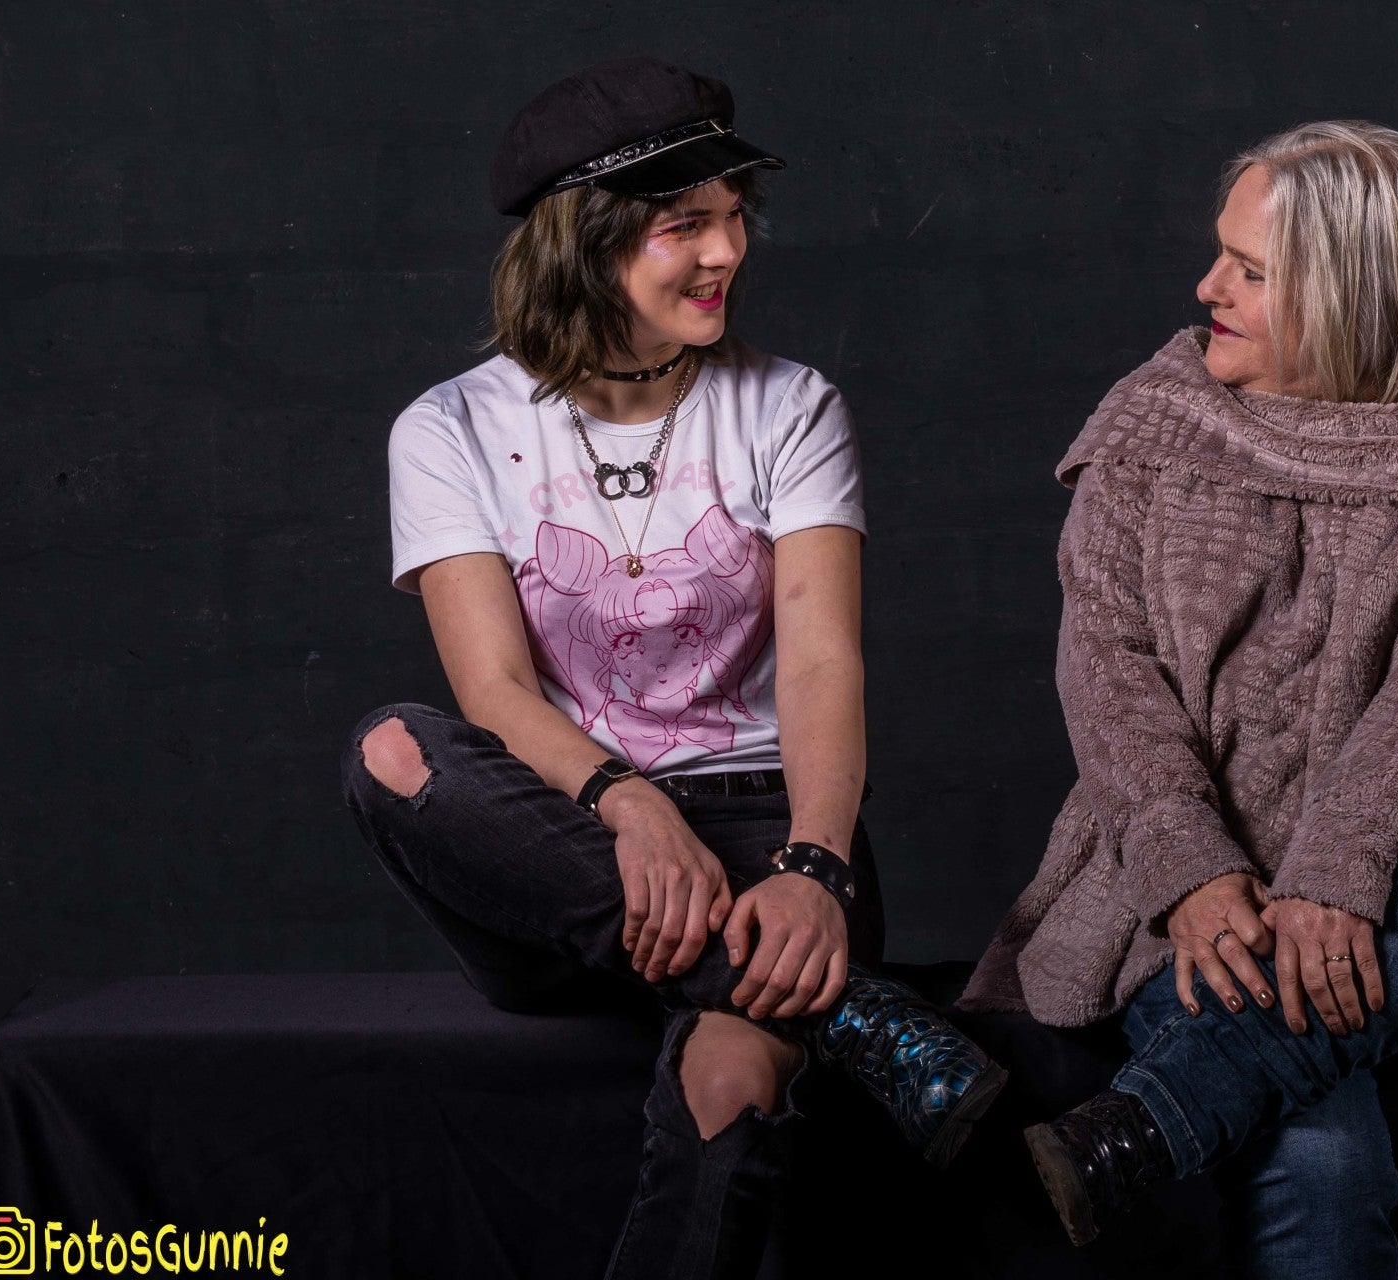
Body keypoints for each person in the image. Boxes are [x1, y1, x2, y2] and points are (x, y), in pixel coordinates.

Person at [340, 58, 1003, 1279]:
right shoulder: (451, 427)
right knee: (392, 747)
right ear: (582, 242)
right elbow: (493, 691)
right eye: (683, 225)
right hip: (566, 842)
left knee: (731, 1072)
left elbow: (821, 658)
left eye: (734, 216)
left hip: (767, 837)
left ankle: (776, 982)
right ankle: (852, 1012)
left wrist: (814, 866)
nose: (726, 252)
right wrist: (628, 804)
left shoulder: (790, 406)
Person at [959, 120, 1398, 1276]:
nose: (1206, 287)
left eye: (1251, 272)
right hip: (1205, 900)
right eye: (1219, 255)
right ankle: (1198, 1088)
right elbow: (1110, 669)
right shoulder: (1155, 421)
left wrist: (1336, 867)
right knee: (1321, 1155)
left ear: (1357, 294)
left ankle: (1146, 1119)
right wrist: (1188, 865)